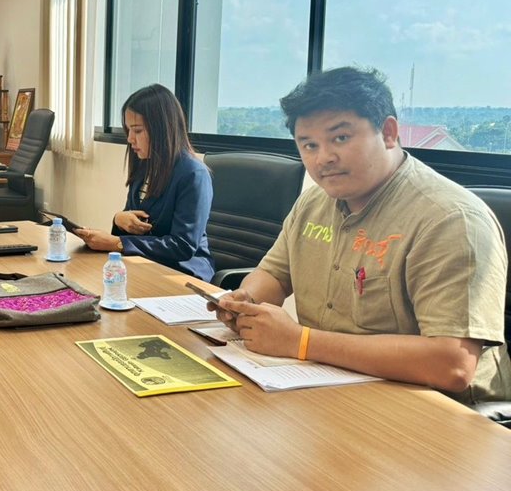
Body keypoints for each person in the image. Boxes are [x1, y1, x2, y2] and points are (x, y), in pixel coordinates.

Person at [212, 67, 510, 404]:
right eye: (309, 145)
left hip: (440, 407)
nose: (323, 158)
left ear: (388, 133)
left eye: (340, 138)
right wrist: (247, 302)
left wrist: (301, 342)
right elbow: (275, 274)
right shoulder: (314, 202)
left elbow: (452, 365)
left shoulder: (449, 219)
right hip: (334, 384)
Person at [76, 84, 215, 281]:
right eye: (128, 130)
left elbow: (182, 246)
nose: (130, 139)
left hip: (183, 273)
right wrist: (119, 219)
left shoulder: (193, 174)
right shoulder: (145, 165)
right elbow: (136, 223)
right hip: (145, 265)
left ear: (162, 129)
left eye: (138, 131)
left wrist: (118, 243)